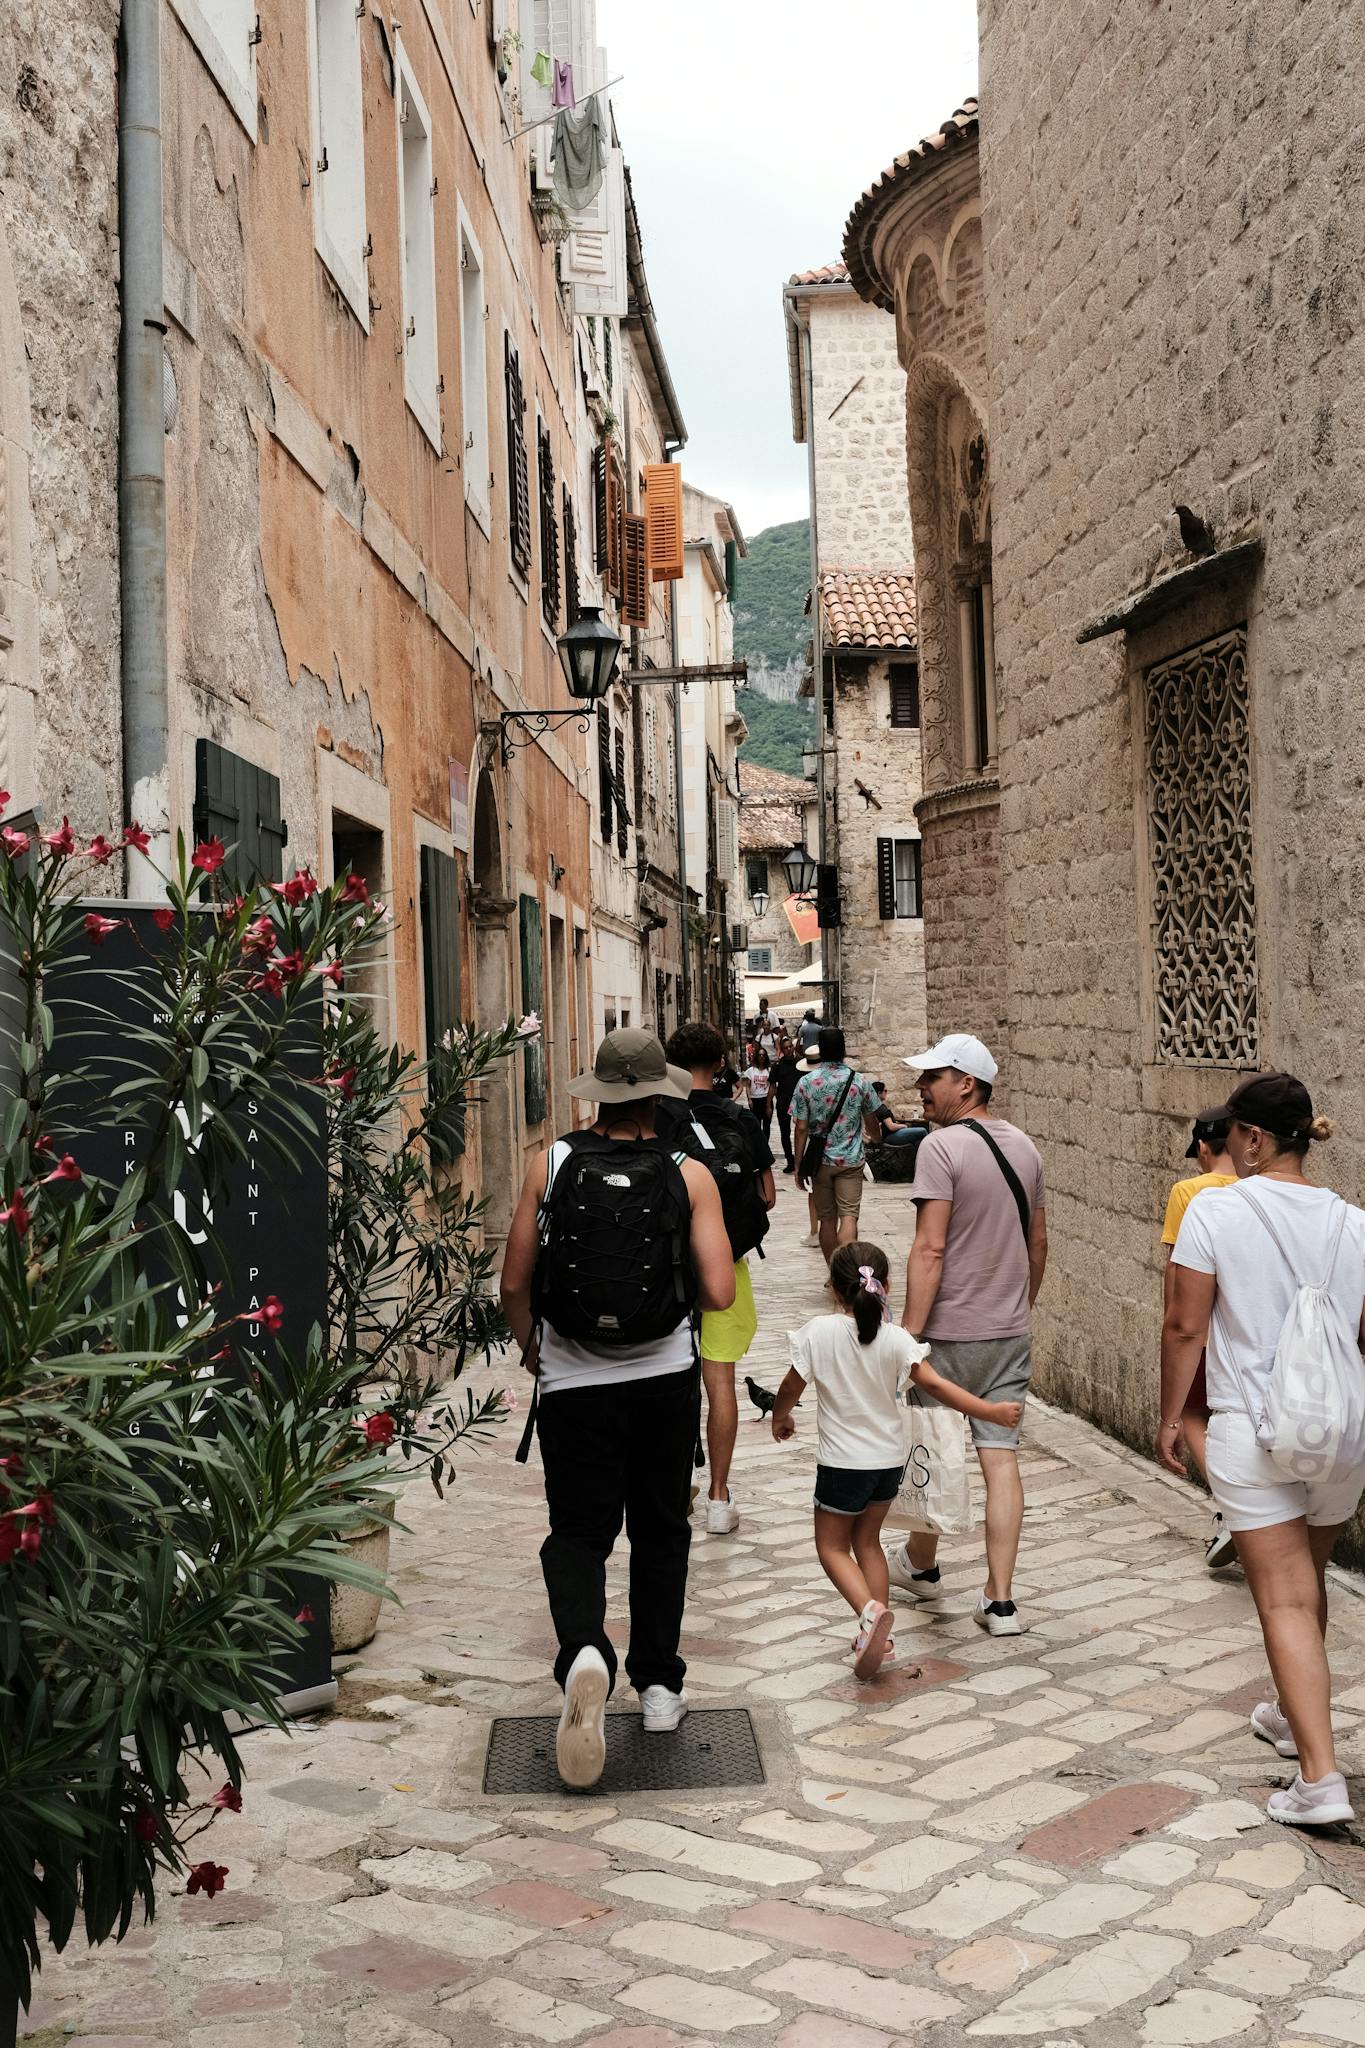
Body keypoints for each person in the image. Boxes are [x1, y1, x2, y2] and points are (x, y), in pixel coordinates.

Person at [500, 1029, 734, 1789]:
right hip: (663, 1379)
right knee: (661, 1530)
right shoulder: (688, 1173)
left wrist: (535, 1350)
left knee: (577, 1532)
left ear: (598, 1093)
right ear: (659, 1094)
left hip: (572, 1382)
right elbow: (719, 1292)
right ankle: (658, 1686)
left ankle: (583, 1652)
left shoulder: (551, 1163)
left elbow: (512, 1284)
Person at [1160, 1071, 1365, 1829]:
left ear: (1250, 1138)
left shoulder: (1215, 1210)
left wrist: (1170, 1416)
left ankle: (1319, 1778)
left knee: (1282, 1598)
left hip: (1253, 1427)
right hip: (1340, 1433)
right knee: (1306, 1584)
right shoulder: (1355, 1223)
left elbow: (1185, 1325)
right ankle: (1287, 1714)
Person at [769, 1240, 1022, 1679]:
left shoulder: (818, 1332)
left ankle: (870, 1614)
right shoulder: (897, 1340)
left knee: (831, 1547)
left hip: (842, 1465)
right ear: (885, 1285)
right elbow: (938, 1387)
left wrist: (781, 1416)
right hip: (888, 1464)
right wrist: (990, 1411)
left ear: (834, 1289)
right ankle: (880, 1640)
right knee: (868, 1543)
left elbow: (791, 1386)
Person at [889, 1033, 1047, 1636]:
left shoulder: (940, 1147)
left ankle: (923, 1565)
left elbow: (929, 1247)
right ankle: (999, 1601)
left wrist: (909, 1334)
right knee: (1000, 1458)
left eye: (932, 1077)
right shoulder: (1025, 1147)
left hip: (948, 1331)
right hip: (1008, 1332)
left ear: (967, 1083)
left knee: (929, 1447)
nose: (920, 1088)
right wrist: (1017, 1308)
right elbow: (1038, 1243)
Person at [663, 1021, 776, 1537]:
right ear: (721, 1062)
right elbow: (767, 1196)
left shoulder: (658, 1115)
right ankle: (718, 1498)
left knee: (669, 1382)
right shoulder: (740, 1118)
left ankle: (674, 1485)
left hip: (667, 1269)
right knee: (721, 1383)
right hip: (726, 1265)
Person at [1161, 1117, 1240, 1570]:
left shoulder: (1190, 1192)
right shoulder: (1255, 1189)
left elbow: (1176, 1269)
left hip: (1202, 1332)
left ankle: (1233, 1508)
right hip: (1243, 1334)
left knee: (1192, 1415)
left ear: (1204, 1148)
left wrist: (1169, 1327)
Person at [791, 1027, 882, 1263]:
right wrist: (875, 1137)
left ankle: (834, 1271)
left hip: (820, 1162)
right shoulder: (859, 1081)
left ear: (821, 1051)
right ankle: (847, 1271)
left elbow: (800, 1128)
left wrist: (799, 1165)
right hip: (850, 1160)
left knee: (827, 1221)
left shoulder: (806, 1082)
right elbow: (872, 1120)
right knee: (849, 1217)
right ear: (843, 1050)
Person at [870, 1080, 929, 1153]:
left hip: (883, 1137)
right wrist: (904, 1126)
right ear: (879, 1093)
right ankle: (930, 1155)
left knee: (917, 1140)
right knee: (922, 1131)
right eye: (885, 1091)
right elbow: (891, 1127)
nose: (886, 1093)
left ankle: (916, 1157)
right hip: (889, 1137)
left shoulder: (872, 1107)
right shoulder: (881, 1108)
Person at [771, 1037, 800, 1173]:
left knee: (801, 1131)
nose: (788, 1049)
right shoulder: (777, 1066)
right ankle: (790, 1161)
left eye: (790, 1046)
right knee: (785, 1133)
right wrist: (768, 1104)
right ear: (782, 1050)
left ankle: (800, 1160)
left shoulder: (800, 1064)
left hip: (799, 1103)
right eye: (786, 1047)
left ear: (793, 1047)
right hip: (783, 1102)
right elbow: (772, 1085)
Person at [742, 1046, 775, 1140]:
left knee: (766, 1126)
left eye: (763, 1055)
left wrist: (770, 1102)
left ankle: (765, 1145)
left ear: (766, 1057)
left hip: (766, 1099)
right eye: (759, 1055)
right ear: (756, 1056)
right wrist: (749, 1099)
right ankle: (758, 1145)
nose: (761, 1057)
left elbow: (772, 1086)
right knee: (756, 1125)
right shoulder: (751, 1070)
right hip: (755, 1100)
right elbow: (748, 1086)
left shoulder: (769, 1070)